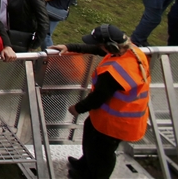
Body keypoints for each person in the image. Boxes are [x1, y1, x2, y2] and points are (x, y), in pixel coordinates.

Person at [50, 25, 150, 179]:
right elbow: (97, 50)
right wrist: (69, 47)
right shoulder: (131, 51)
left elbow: (98, 97)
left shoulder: (114, 72)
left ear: (110, 46)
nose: (96, 47)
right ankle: (84, 166)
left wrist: (77, 108)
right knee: (91, 141)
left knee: (102, 156)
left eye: (98, 44)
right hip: (110, 117)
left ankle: (92, 175)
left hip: (115, 124)